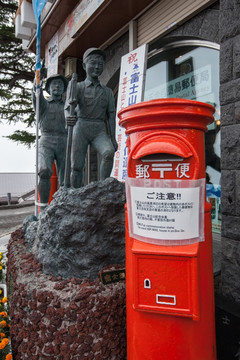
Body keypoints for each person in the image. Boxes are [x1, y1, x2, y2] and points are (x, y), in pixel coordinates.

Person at [65, 47, 118, 188]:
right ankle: (74, 193)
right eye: (93, 63)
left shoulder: (107, 92)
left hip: (99, 129)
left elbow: (111, 116)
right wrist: (68, 117)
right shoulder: (77, 86)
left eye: (100, 64)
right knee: (76, 165)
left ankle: (103, 188)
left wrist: (113, 138)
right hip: (81, 127)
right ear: (84, 65)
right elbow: (67, 108)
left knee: (108, 153)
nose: (96, 67)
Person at [32, 73, 68, 209]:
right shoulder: (43, 105)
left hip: (64, 140)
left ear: (64, 88)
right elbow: (36, 93)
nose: (57, 86)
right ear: (48, 88)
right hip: (46, 140)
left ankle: (63, 206)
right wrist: (37, 78)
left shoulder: (67, 106)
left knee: (65, 177)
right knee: (44, 170)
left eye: (60, 84)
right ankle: (43, 207)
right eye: (54, 84)